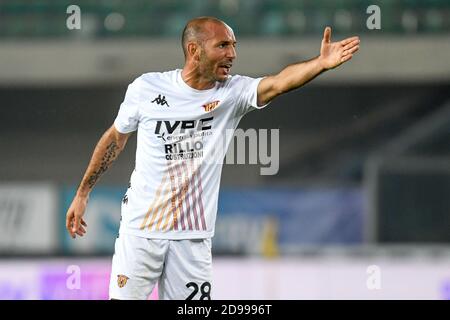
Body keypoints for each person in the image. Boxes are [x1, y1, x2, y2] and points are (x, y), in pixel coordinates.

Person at [65, 16, 360, 300]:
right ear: (194, 50)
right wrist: (83, 193)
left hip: (192, 240)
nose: (232, 54)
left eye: (234, 46)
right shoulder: (147, 89)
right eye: (222, 46)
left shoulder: (233, 93)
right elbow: (115, 139)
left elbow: (279, 82)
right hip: (141, 232)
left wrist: (320, 63)